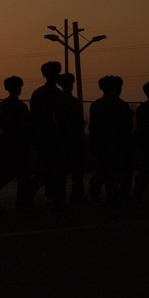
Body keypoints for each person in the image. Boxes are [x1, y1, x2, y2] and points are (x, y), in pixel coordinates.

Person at [88, 76, 133, 205]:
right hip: (113, 143)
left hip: (107, 143)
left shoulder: (97, 105)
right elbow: (127, 126)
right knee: (114, 171)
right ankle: (113, 195)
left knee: (110, 170)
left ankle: (100, 186)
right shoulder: (121, 106)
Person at [30, 61, 68, 209]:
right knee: (57, 170)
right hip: (54, 138)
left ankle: (31, 193)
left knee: (45, 170)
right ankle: (57, 197)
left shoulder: (38, 93)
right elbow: (61, 119)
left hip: (42, 138)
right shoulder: (57, 95)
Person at [0, 76, 34, 208]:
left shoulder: (3, 105)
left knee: (8, 173)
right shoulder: (20, 106)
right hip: (20, 144)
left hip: (9, 143)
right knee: (22, 175)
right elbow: (27, 125)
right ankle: (23, 201)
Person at [58, 73, 87, 204]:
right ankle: (76, 194)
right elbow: (79, 122)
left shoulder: (58, 100)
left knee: (64, 170)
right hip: (72, 139)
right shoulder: (71, 101)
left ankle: (61, 195)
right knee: (75, 170)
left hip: (63, 139)